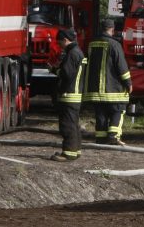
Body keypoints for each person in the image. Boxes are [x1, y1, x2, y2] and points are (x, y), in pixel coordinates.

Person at [84, 18, 132, 145]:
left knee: (101, 113)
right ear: (112, 29)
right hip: (112, 89)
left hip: (95, 89)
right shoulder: (114, 44)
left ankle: (100, 138)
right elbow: (121, 66)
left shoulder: (91, 44)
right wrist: (128, 83)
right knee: (119, 109)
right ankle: (113, 136)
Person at [50, 29, 85, 161]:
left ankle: (68, 153)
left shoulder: (72, 54)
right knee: (74, 124)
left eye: (60, 43)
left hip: (69, 94)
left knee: (67, 125)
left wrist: (55, 70)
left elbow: (66, 74)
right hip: (75, 94)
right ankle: (75, 150)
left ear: (65, 40)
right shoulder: (78, 52)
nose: (59, 46)